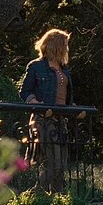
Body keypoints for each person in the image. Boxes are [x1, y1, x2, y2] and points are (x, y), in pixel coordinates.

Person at [19, 28, 74, 193]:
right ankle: (37, 194)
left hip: (60, 118)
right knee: (51, 161)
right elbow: (25, 92)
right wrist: (37, 104)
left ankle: (57, 196)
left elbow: (65, 94)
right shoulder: (36, 66)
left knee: (61, 162)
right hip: (43, 119)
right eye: (64, 45)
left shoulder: (64, 68)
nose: (66, 49)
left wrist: (71, 106)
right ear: (56, 46)